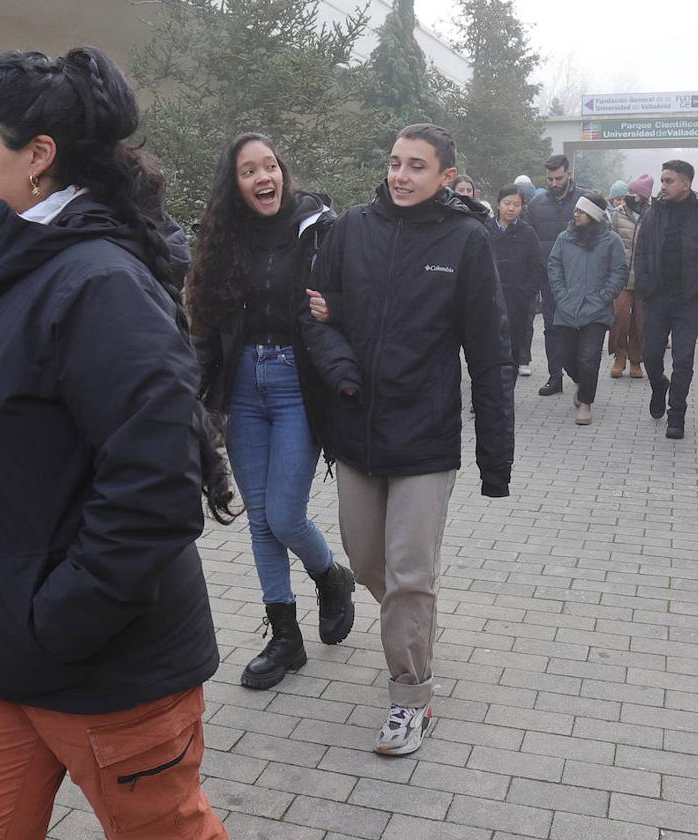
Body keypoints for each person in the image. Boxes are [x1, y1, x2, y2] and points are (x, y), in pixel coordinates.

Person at [0, 48, 232, 839]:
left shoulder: (97, 283)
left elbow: (155, 493)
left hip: (104, 670)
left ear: (37, 157)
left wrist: (55, 624)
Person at [302, 124, 515, 756]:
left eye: (416, 166)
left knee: (411, 572)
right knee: (371, 563)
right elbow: (316, 315)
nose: (400, 175)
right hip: (358, 429)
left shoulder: (467, 241)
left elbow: (490, 353)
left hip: (425, 434)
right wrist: (339, 367)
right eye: (395, 162)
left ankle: (411, 699)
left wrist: (494, 459)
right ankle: (410, 620)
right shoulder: (352, 230)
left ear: (446, 176)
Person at [186, 133, 355, 691]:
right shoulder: (223, 241)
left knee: (284, 514)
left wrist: (340, 307)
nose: (264, 178)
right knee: (259, 519)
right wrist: (205, 395)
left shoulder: (318, 228)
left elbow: (355, 294)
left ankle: (330, 575)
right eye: (249, 171)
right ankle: (285, 637)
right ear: (234, 186)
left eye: (270, 166)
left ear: (283, 172)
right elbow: (207, 324)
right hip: (243, 390)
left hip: (295, 385)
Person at [635, 159, 698, 439]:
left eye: (669, 181)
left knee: (683, 359)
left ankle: (676, 416)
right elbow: (640, 251)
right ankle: (658, 386)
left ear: (686, 184)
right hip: (656, 298)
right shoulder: (654, 213)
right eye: (662, 180)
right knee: (650, 354)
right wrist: (644, 285)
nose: (662, 186)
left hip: (688, 299)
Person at [547, 192, 628, 425]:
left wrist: (604, 297)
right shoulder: (564, 238)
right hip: (567, 308)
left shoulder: (611, 241)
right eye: (576, 211)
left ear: (593, 215)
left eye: (581, 212)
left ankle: (585, 403)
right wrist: (561, 295)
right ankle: (581, 383)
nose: (576, 215)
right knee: (567, 358)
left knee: (589, 358)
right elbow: (554, 266)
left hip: (597, 310)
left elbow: (618, 271)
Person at [527, 154, 589, 396]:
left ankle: (578, 372)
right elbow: (529, 243)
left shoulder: (584, 201)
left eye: (559, 178)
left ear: (569, 174)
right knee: (551, 328)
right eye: (550, 178)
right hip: (548, 278)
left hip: (579, 278)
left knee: (578, 328)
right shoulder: (535, 204)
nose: (554, 183)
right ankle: (555, 377)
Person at [487, 184, 543, 377]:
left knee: (511, 353)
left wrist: (526, 294)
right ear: (498, 204)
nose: (511, 208)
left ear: (522, 207)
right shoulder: (485, 230)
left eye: (516, 204)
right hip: (488, 300)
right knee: (487, 352)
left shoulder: (527, 233)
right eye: (507, 203)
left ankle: (505, 400)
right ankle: (484, 402)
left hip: (516, 302)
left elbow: (537, 267)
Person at [608, 173, 653, 378]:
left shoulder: (653, 215)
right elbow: (610, 242)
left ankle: (636, 361)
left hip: (644, 279)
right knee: (621, 318)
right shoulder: (618, 214)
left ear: (643, 196)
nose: (630, 195)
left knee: (641, 322)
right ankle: (619, 356)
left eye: (634, 192)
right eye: (629, 191)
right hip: (621, 277)